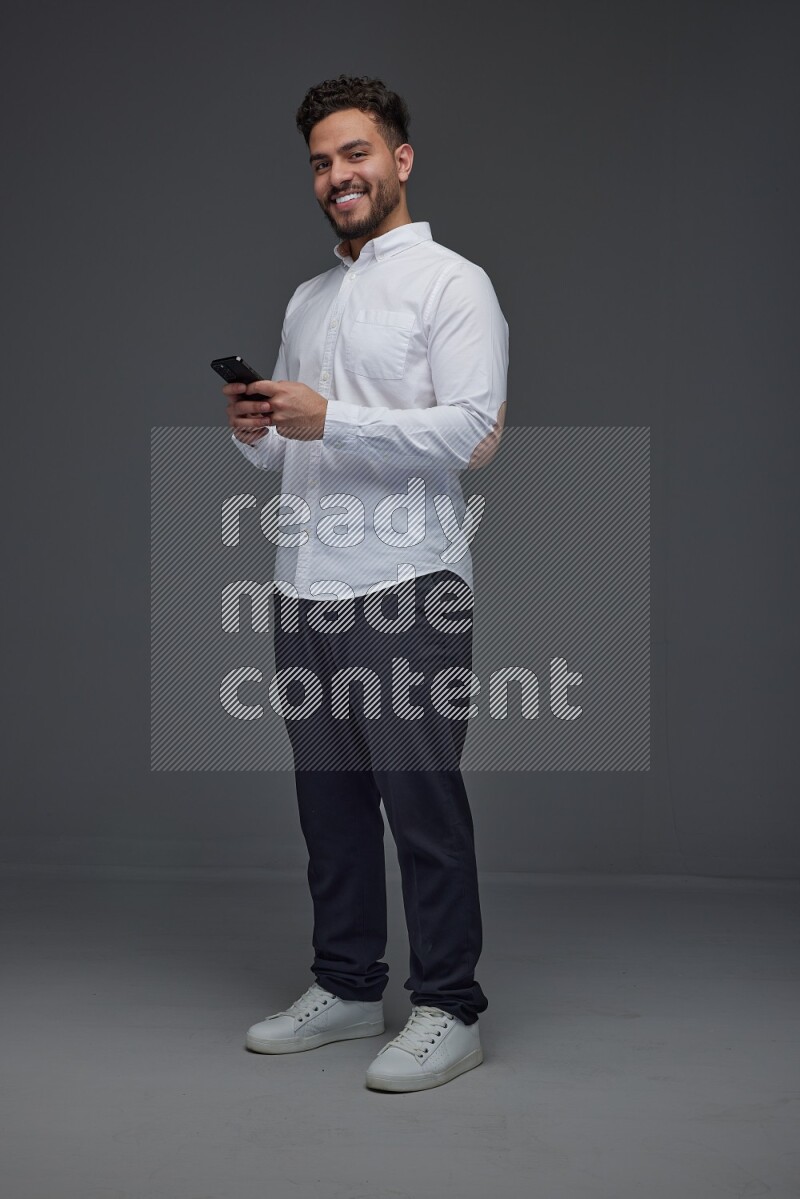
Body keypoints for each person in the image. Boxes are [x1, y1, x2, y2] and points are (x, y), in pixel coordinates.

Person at [224, 74, 509, 1093]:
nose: (335, 174)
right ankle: (347, 986)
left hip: (406, 582)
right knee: (329, 802)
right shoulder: (309, 298)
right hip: (305, 582)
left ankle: (449, 1006)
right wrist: (262, 430)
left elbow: (475, 433)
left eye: (353, 153)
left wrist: (331, 415)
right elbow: (296, 454)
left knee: (418, 800)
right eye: (319, 160)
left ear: (399, 160)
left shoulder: (451, 283)